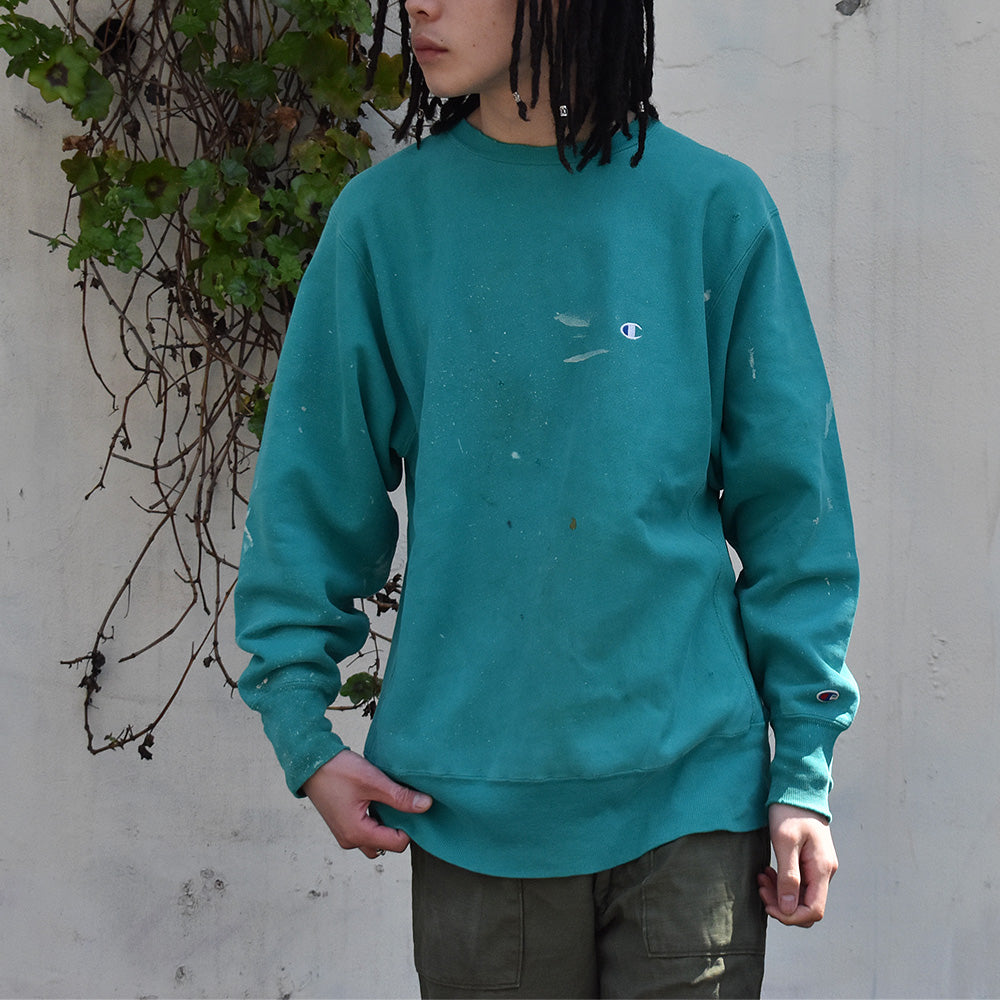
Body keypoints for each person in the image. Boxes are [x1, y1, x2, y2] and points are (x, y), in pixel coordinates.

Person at [234, 1, 860, 996]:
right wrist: (303, 732)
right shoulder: (388, 222)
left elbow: (797, 517)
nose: (419, 4)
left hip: (693, 808)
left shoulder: (712, 208)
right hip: (473, 815)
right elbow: (310, 497)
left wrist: (804, 772)